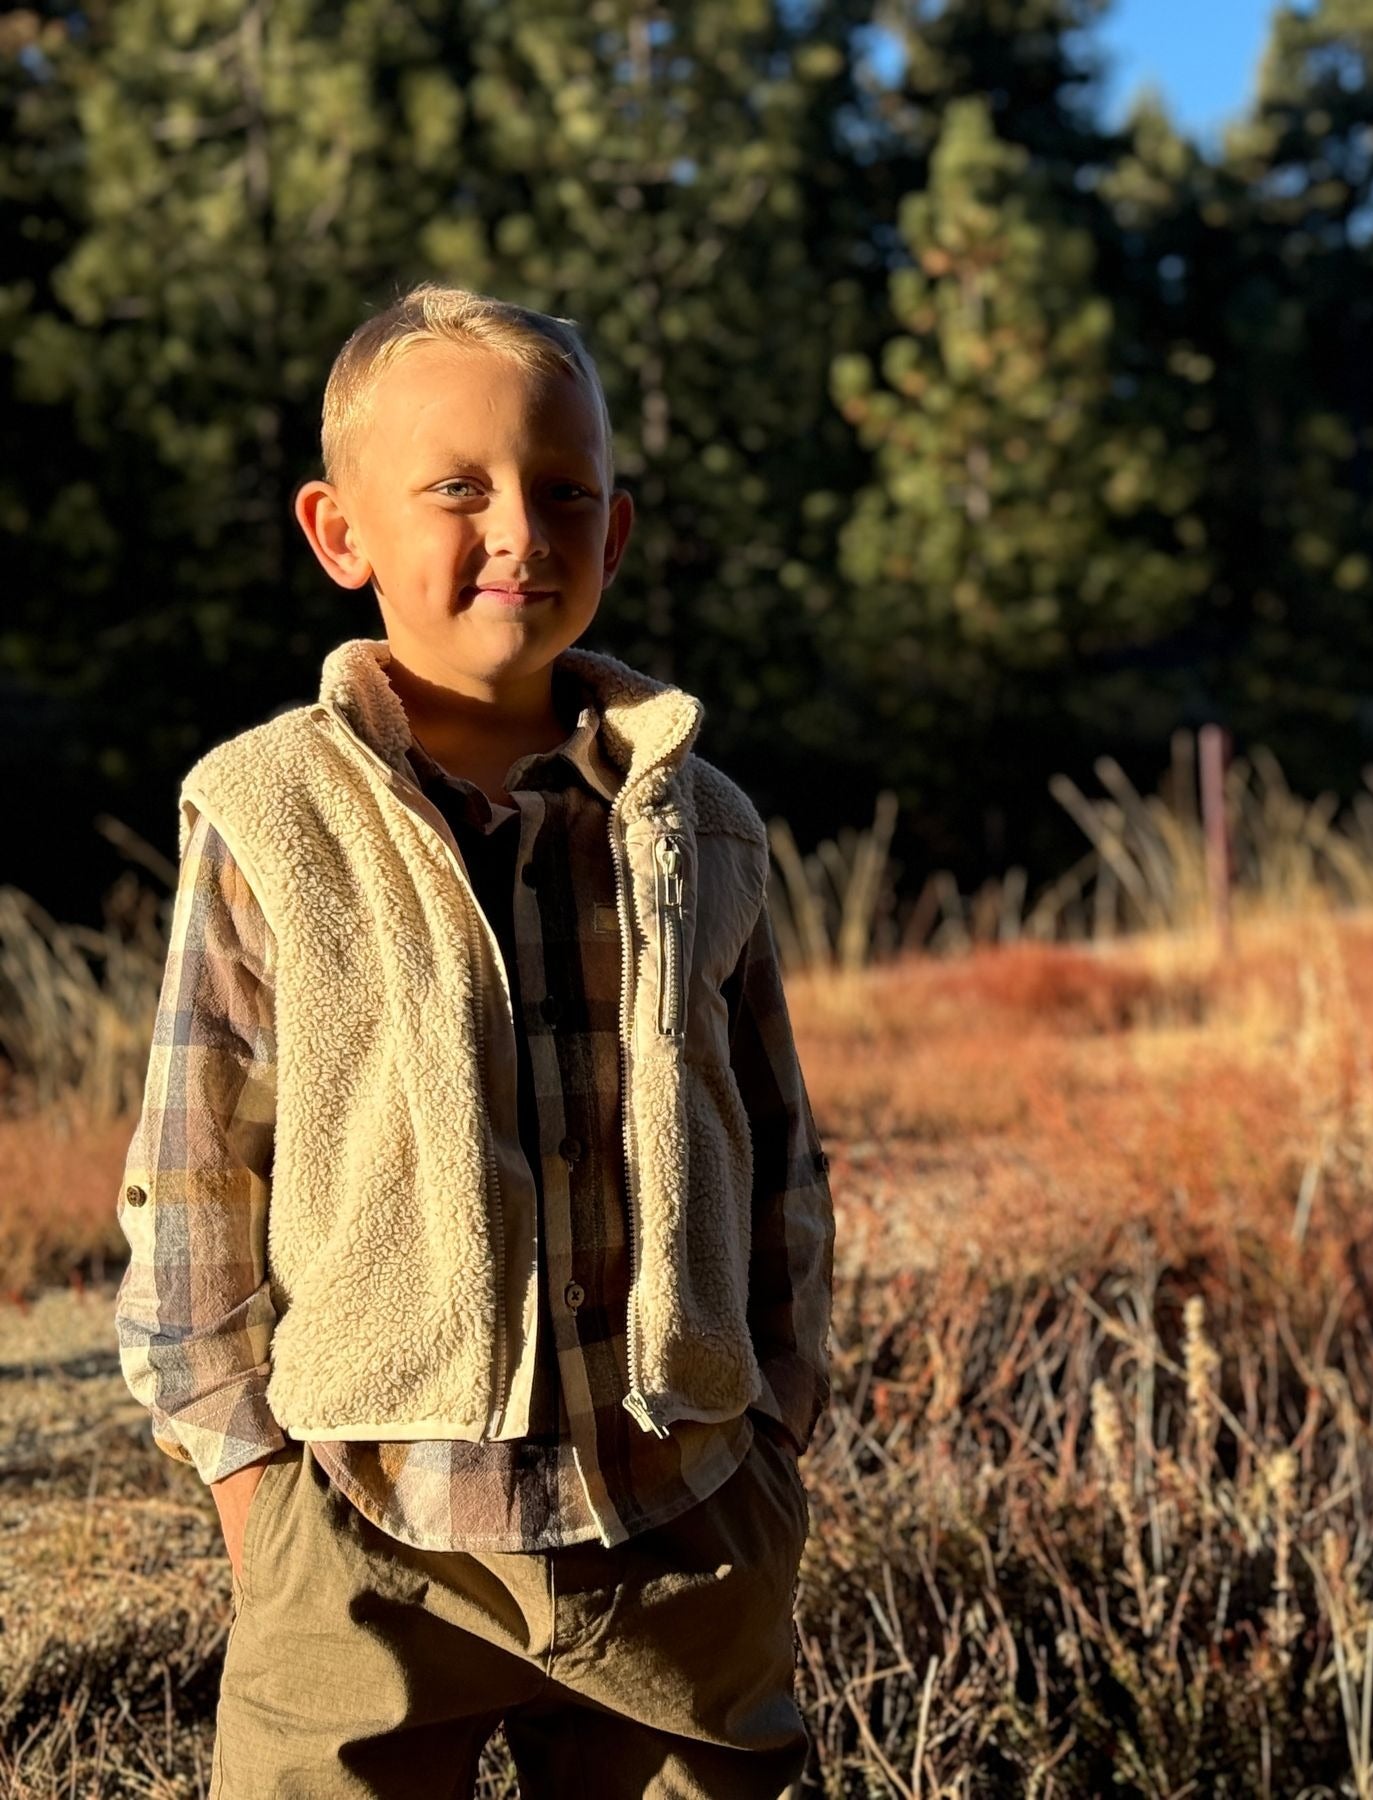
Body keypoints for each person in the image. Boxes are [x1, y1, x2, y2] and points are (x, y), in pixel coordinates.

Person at [111, 280, 837, 1798]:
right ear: (339, 533)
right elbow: (196, 1173)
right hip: (370, 1541)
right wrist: (250, 1483)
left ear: (615, 536)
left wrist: (776, 1427)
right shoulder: (266, 816)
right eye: (460, 488)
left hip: (678, 1525)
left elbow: (775, 1144)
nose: (521, 529)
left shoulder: (703, 822)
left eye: (563, 491)